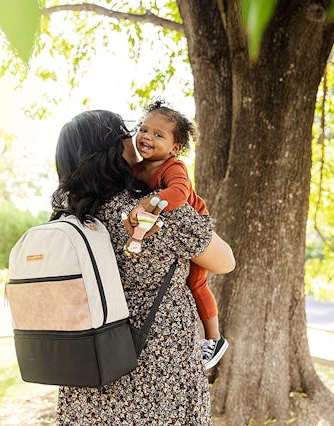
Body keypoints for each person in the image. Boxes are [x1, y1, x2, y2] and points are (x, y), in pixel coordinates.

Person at [51, 110, 235, 425]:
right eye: (128, 131)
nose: (136, 138)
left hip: (89, 361)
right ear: (112, 148)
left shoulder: (68, 215)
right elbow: (225, 261)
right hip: (157, 361)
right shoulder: (152, 209)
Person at [126, 100, 228, 369]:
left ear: (175, 148)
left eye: (158, 135)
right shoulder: (137, 168)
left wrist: (149, 203)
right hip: (157, 230)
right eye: (144, 129)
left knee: (196, 283)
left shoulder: (174, 167)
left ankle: (214, 338)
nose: (147, 137)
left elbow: (179, 195)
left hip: (197, 225)